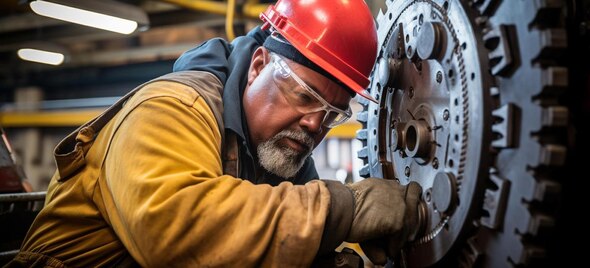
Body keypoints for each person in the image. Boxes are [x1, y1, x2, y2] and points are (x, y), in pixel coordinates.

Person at [7, 0, 425, 267]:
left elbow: (285, 232)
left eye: (331, 114)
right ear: (259, 66)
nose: (315, 125)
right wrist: (344, 209)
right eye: (304, 96)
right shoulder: (171, 108)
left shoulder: (282, 156)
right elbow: (176, 230)